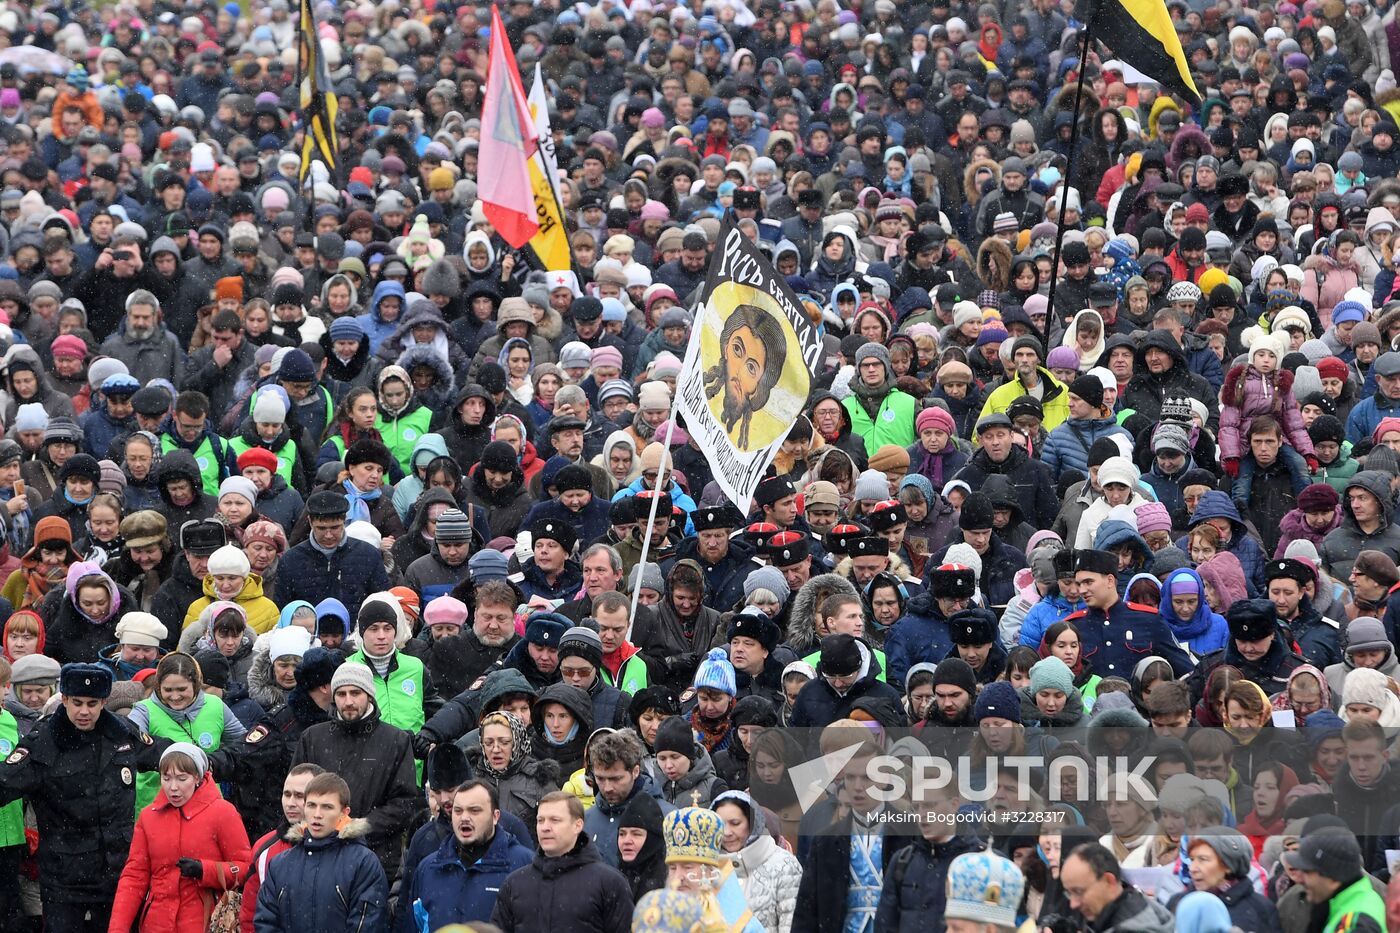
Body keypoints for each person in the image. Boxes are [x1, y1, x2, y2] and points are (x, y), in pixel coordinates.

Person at [0, 663, 161, 933]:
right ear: (63, 699)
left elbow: (165, 756)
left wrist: (205, 761)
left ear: (103, 702)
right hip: (64, 876)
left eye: (92, 703)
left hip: (116, 871)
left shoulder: (120, 732)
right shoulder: (44, 741)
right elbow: (5, 781)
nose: (84, 711)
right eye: (77, 702)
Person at [291, 661, 418, 879]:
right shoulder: (313, 737)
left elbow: (404, 803)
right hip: (317, 855)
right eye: (341, 694)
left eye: (355, 693)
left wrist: (359, 827)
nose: (348, 701)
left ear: (369, 694)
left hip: (377, 857)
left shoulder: (395, 740)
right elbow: (295, 793)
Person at [108, 742, 251, 933]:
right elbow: (134, 877)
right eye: (166, 779)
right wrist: (118, 928)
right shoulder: (148, 817)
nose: (173, 787)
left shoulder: (223, 813)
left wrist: (205, 870)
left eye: (181, 779)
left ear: (198, 778)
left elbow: (245, 868)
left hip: (206, 923)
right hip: (156, 923)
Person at [252, 771, 390, 931]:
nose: (317, 815)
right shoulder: (279, 864)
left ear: (344, 813)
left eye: (327, 807)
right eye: (311, 805)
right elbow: (265, 922)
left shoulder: (363, 863)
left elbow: (367, 925)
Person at [400, 778, 534, 932]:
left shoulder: (523, 864)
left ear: (495, 816)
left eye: (474, 810)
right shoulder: (428, 868)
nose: (464, 817)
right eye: (458, 811)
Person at [491, 791, 635, 933]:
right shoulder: (515, 883)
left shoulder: (610, 883)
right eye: (540, 820)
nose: (545, 827)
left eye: (555, 820)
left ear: (577, 825)